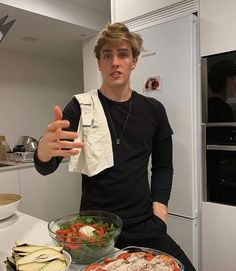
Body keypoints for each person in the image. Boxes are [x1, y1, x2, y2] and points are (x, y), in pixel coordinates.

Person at [34, 22, 196, 270]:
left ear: (134, 61)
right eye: (107, 55)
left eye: (122, 54)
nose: (115, 62)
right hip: (93, 231)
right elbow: (47, 166)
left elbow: (163, 166)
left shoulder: (154, 111)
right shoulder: (79, 107)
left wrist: (160, 213)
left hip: (145, 225)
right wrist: (43, 151)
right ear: (99, 63)